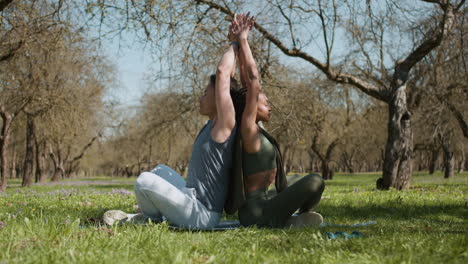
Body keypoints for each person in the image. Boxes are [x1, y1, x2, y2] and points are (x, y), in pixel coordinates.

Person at [104, 40, 245, 229]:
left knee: (144, 181)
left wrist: (236, 42)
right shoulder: (214, 124)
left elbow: (223, 74)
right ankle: (154, 215)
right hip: (192, 201)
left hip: (201, 215)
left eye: (205, 93)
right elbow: (228, 79)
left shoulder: (224, 125)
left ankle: (150, 220)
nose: (201, 98)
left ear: (219, 97)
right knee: (160, 170)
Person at [225, 13, 325, 228]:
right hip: (256, 212)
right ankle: (292, 219)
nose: (269, 105)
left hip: (265, 202)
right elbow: (253, 81)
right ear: (251, 108)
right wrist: (241, 40)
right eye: (264, 102)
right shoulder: (248, 129)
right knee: (315, 180)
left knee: (308, 182)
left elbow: (246, 80)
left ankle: (294, 217)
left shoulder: (254, 129)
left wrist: (240, 45)